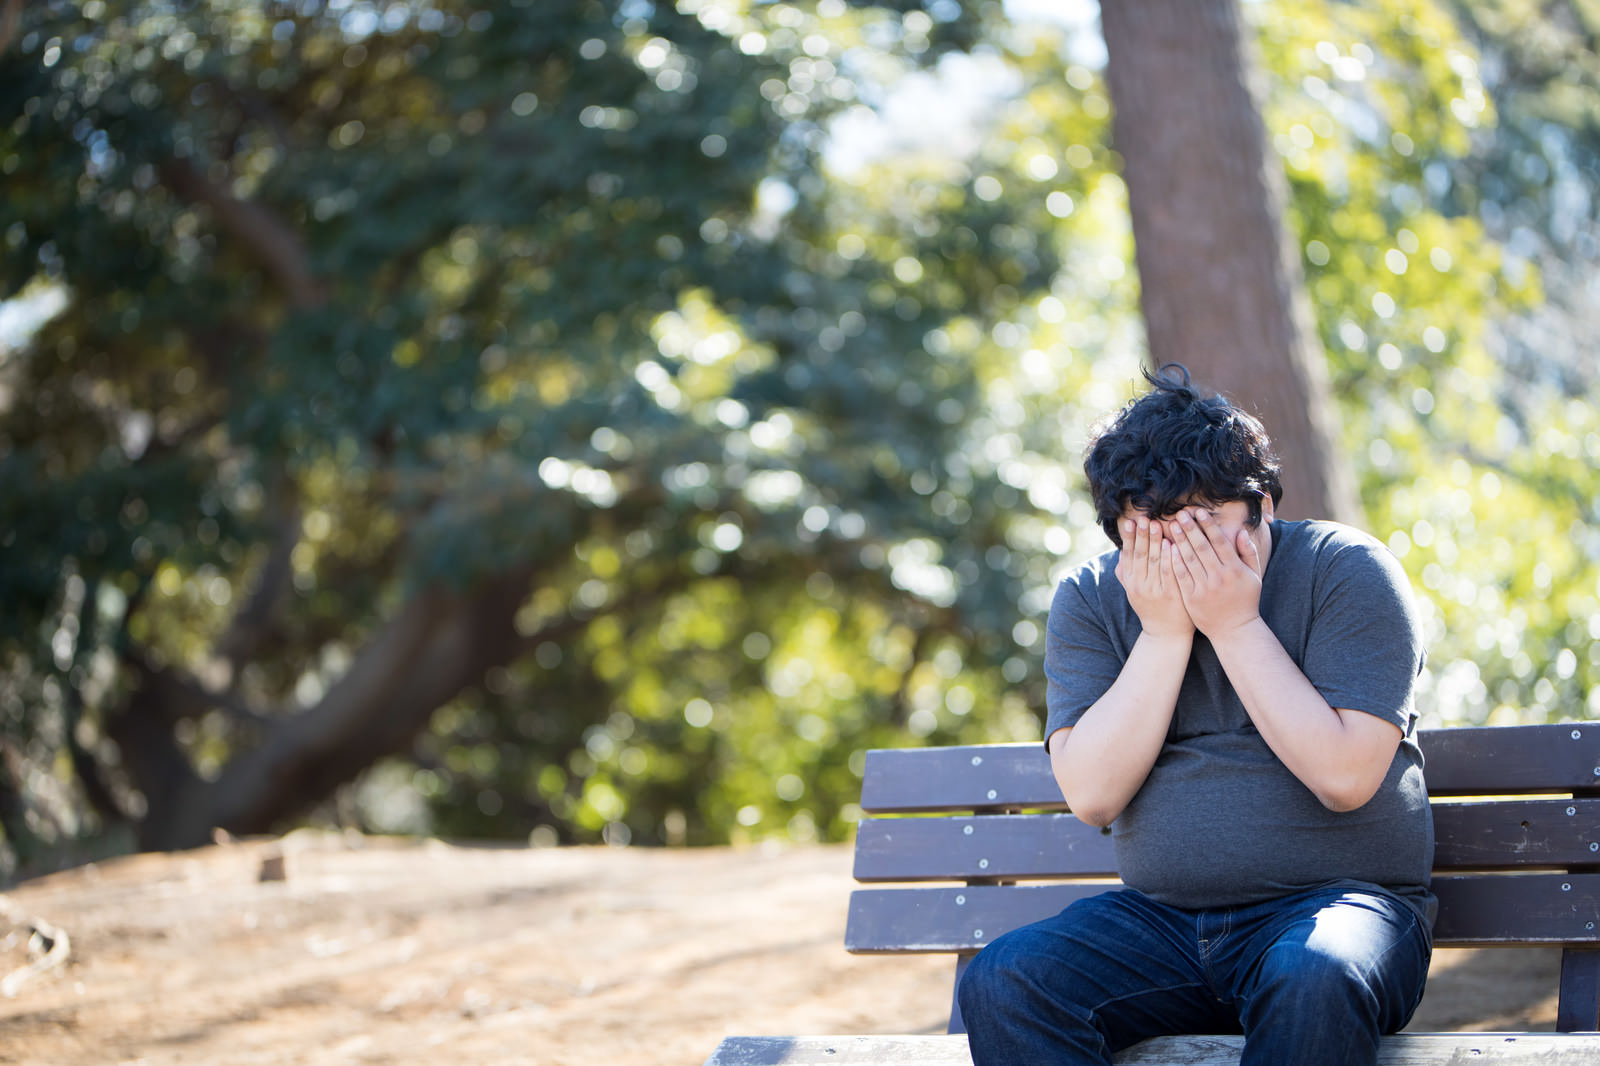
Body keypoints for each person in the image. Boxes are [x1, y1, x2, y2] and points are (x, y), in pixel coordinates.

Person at [957, 364, 1434, 1066]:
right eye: (1152, 533)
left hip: (1342, 911)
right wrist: (1165, 634)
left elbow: (1345, 776)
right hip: (1162, 924)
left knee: (1313, 976)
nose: (1183, 552)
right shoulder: (1093, 599)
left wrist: (1235, 625)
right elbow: (1092, 795)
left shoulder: (1348, 572)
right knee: (1006, 980)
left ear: (1263, 507)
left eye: (1205, 524)